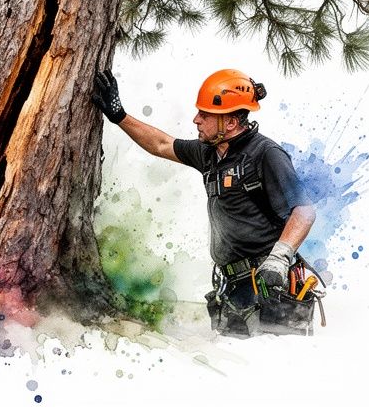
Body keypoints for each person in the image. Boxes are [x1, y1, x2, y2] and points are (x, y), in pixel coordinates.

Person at [91, 68, 316, 336]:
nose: (196, 119)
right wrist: (119, 116)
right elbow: (161, 144)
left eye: (205, 115)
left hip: (269, 286)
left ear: (230, 122)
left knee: (269, 357)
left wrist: (279, 259)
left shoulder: (266, 154)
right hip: (233, 287)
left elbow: (304, 211)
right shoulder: (209, 153)